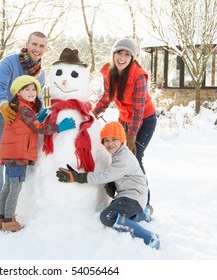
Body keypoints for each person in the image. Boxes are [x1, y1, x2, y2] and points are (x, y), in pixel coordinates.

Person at [56, 122, 160, 249]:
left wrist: (77, 177)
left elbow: (104, 176)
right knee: (120, 214)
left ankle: (149, 237)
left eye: (114, 139)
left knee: (108, 216)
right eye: (106, 140)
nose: (110, 144)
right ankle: (143, 213)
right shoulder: (119, 154)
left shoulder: (123, 158)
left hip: (133, 197)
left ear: (121, 139)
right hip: (133, 196)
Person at [0, 75, 76, 232]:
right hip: (19, 155)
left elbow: (26, 126)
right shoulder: (24, 109)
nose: (32, 92)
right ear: (18, 92)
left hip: (10, 153)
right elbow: (38, 128)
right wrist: (60, 127)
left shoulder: (19, 106)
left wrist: (38, 117)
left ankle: (0, 219)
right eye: (27, 89)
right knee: (15, 188)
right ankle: (9, 221)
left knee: (7, 186)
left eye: (34, 89)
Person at [0, 31, 48, 209]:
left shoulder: (40, 74)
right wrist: (3, 105)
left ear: (45, 49)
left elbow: (36, 99)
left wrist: (44, 115)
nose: (37, 49)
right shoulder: (9, 63)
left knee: (15, 156)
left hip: (22, 115)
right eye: (34, 44)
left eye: (42, 46)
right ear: (27, 44)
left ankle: (10, 201)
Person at [92, 37, 156, 175]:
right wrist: (93, 114)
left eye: (127, 54)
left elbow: (138, 111)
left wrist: (132, 136)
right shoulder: (109, 71)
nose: (122, 57)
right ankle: (119, 186)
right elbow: (108, 96)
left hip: (144, 119)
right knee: (118, 155)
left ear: (132, 58)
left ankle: (141, 194)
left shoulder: (138, 76)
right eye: (119, 53)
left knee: (135, 157)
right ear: (113, 54)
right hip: (124, 118)